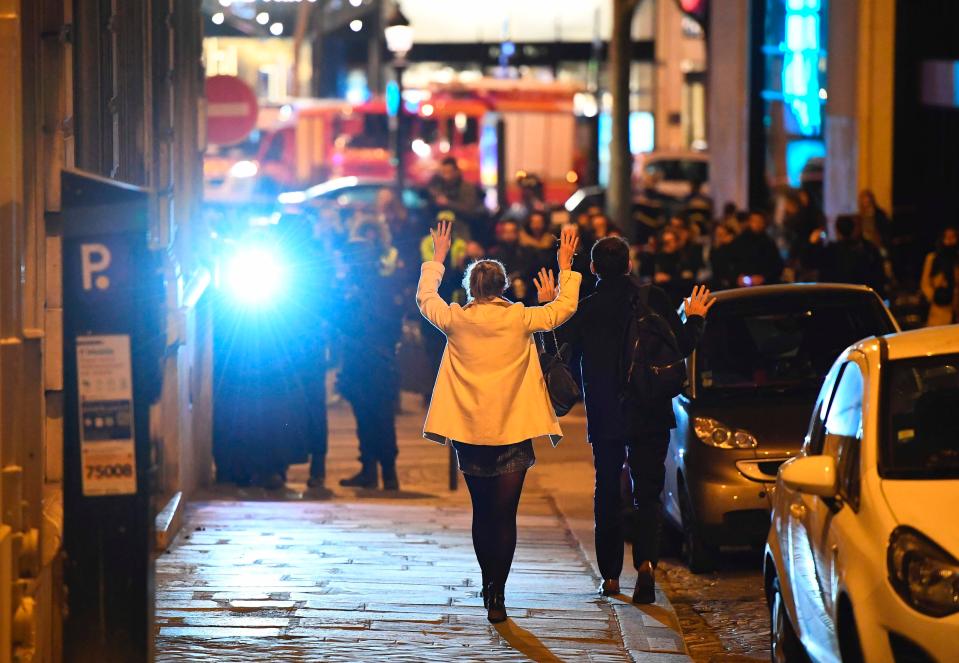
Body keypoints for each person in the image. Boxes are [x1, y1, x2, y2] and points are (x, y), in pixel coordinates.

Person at [416, 222, 582, 623]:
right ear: (504, 287)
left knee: (481, 511)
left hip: (471, 432)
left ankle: (487, 581)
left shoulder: (455, 319)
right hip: (513, 430)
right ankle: (499, 596)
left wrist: (437, 258)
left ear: (472, 288)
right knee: (505, 515)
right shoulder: (521, 319)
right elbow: (564, 310)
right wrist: (565, 266)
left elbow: (425, 298)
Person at [554, 237, 714, 603]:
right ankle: (646, 565)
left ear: (593, 269)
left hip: (605, 410)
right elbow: (679, 349)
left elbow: (559, 346)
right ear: (629, 265)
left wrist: (559, 289)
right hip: (650, 408)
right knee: (647, 493)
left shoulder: (587, 307)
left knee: (607, 491)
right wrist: (697, 319)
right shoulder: (652, 299)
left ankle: (610, 577)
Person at [336, 238, 404, 490]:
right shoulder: (383, 285)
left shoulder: (357, 290)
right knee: (380, 417)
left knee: (369, 417)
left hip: (365, 359)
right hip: (380, 359)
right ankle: (384, 472)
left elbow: (346, 322)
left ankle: (376, 470)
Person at [802, 215, 887, 296]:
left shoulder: (830, 251)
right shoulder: (866, 250)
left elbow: (808, 262)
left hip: (832, 297)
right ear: (853, 228)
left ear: (837, 230)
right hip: (857, 298)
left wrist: (812, 243)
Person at [730, 211, 784, 287]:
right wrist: (737, 277)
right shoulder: (739, 241)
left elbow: (777, 265)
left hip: (763, 287)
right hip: (741, 287)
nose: (756, 224)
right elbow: (731, 263)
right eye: (754, 221)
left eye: (759, 221)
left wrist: (764, 277)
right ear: (749, 222)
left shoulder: (769, 243)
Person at [920, 226, 959, 326]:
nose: (950, 241)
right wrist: (935, 296)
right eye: (947, 237)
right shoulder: (933, 258)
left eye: (953, 237)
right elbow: (925, 283)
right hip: (940, 311)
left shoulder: (956, 259)